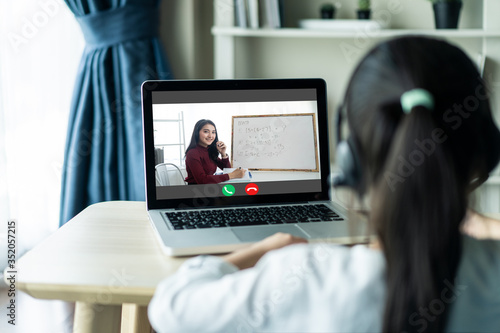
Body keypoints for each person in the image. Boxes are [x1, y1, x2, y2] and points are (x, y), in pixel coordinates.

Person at [148, 37, 500, 332]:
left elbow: (170, 306)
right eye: (206, 131)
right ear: (484, 153)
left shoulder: (302, 277)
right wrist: (480, 222)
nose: (210, 135)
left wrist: (264, 249)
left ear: (353, 162)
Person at [184, 119, 245, 184]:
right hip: (196, 191)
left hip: (209, 188)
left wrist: (223, 154)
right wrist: (232, 175)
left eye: (213, 132)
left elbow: (226, 170)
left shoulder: (209, 150)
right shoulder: (193, 153)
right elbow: (202, 180)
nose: (210, 136)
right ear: (197, 133)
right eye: (206, 131)